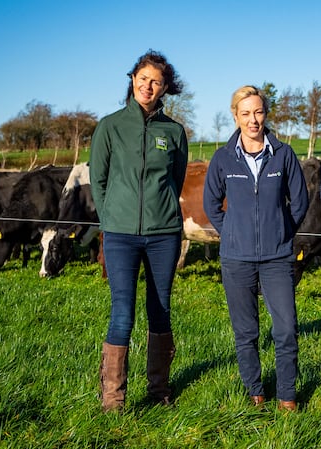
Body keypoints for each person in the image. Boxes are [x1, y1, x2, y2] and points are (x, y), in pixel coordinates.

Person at [90, 50, 189, 412]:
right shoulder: (110, 126)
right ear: (133, 79)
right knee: (122, 313)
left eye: (157, 82)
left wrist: (161, 213)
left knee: (160, 309)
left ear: (165, 89)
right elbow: (98, 180)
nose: (149, 86)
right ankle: (113, 399)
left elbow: (175, 180)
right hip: (120, 235)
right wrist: (111, 218)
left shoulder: (174, 132)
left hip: (164, 234)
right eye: (143, 78)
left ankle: (158, 391)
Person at [203, 85, 309, 411]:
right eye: (246, 113)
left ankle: (287, 395)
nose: (253, 120)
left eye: (259, 112)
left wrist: (281, 231)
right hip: (236, 259)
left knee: (286, 329)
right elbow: (211, 204)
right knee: (246, 331)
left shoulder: (284, 154)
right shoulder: (223, 158)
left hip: (277, 258)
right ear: (235, 116)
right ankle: (255, 391)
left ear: (266, 114)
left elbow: (300, 202)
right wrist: (232, 233)